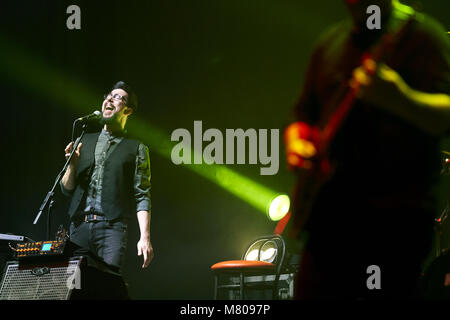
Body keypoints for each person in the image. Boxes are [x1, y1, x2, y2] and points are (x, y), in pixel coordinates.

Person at [285, 0, 450, 299]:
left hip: (393, 227)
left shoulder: (422, 36)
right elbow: (302, 117)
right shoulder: (329, 44)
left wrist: (402, 98)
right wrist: (297, 143)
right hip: (326, 227)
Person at [60, 81, 154, 297]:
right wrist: (72, 165)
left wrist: (145, 236)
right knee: (74, 292)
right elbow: (66, 189)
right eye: (109, 95)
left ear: (128, 110)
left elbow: (142, 195)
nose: (110, 99)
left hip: (111, 229)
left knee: (106, 290)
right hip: (79, 229)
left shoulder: (136, 148)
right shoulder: (84, 140)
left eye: (118, 97)